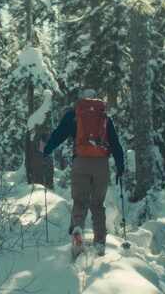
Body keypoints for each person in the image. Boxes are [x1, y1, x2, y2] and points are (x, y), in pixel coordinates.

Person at [43, 89, 124, 257]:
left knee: (79, 201)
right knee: (97, 204)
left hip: (80, 162)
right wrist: (120, 166)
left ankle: (78, 228)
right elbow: (115, 144)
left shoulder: (74, 115)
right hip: (101, 164)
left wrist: (46, 150)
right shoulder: (104, 118)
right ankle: (100, 242)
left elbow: (59, 135)